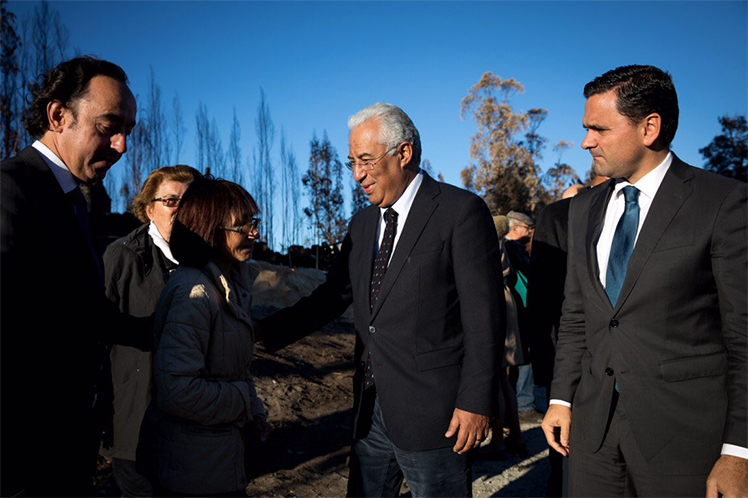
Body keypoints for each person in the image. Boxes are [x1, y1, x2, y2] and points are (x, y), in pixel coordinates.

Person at [258, 103, 504, 497]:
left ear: (403, 153)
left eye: (367, 161)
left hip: (436, 414)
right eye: (352, 162)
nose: (357, 175)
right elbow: (331, 297)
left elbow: (485, 319)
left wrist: (476, 402)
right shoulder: (362, 223)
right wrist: (260, 332)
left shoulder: (460, 212)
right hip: (369, 411)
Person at [541, 64, 747, 496]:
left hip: (684, 439)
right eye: (585, 128)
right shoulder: (582, 211)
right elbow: (577, 314)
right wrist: (561, 399)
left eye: (599, 128)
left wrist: (739, 451)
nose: (586, 141)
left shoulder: (723, 202)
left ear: (649, 127)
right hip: (592, 436)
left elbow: (744, 338)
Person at [0, 56, 137, 497]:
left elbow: (79, 309)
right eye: (108, 126)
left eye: (127, 132)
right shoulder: (11, 190)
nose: (120, 145)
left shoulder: (76, 201)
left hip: (66, 447)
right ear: (58, 116)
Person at [136, 176, 270, 497]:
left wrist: (255, 410)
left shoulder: (230, 285)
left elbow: (234, 369)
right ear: (212, 229)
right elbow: (178, 391)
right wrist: (242, 402)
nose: (254, 232)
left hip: (217, 460)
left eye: (255, 222)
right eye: (242, 226)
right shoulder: (194, 292)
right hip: (192, 470)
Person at [101, 165, 202, 496]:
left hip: (195, 429)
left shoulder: (206, 261)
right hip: (137, 425)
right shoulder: (123, 257)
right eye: (171, 201)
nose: (180, 210)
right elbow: (98, 334)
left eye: (189, 202)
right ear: (148, 209)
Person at [477, 215, 526, 461]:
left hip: (494, 309)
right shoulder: (503, 244)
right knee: (504, 381)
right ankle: (514, 436)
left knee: (496, 380)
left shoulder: (487, 243)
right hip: (505, 308)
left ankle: (497, 441)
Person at [503, 211, 540, 422]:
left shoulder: (513, 248)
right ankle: (524, 404)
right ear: (515, 228)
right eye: (527, 228)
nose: (530, 232)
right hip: (519, 310)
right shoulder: (510, 248)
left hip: (521, 309)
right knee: (524, 357)